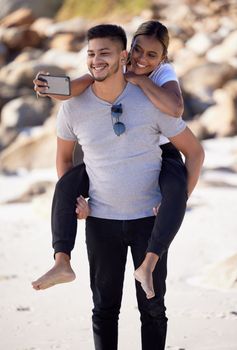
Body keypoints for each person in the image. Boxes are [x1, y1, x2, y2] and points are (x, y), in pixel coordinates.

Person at [33, 23, 204, 350]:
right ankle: (61, 260)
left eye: (105, 54)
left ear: (122, 57)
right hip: (101, 222)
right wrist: (76, 202)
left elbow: (193, 149)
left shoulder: (156, 96)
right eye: (91, 54)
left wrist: (176, 202)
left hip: (148, 220)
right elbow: (65, 163)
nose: (97, 60)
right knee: (104, 309)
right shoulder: (73, 105)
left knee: (153, 310)